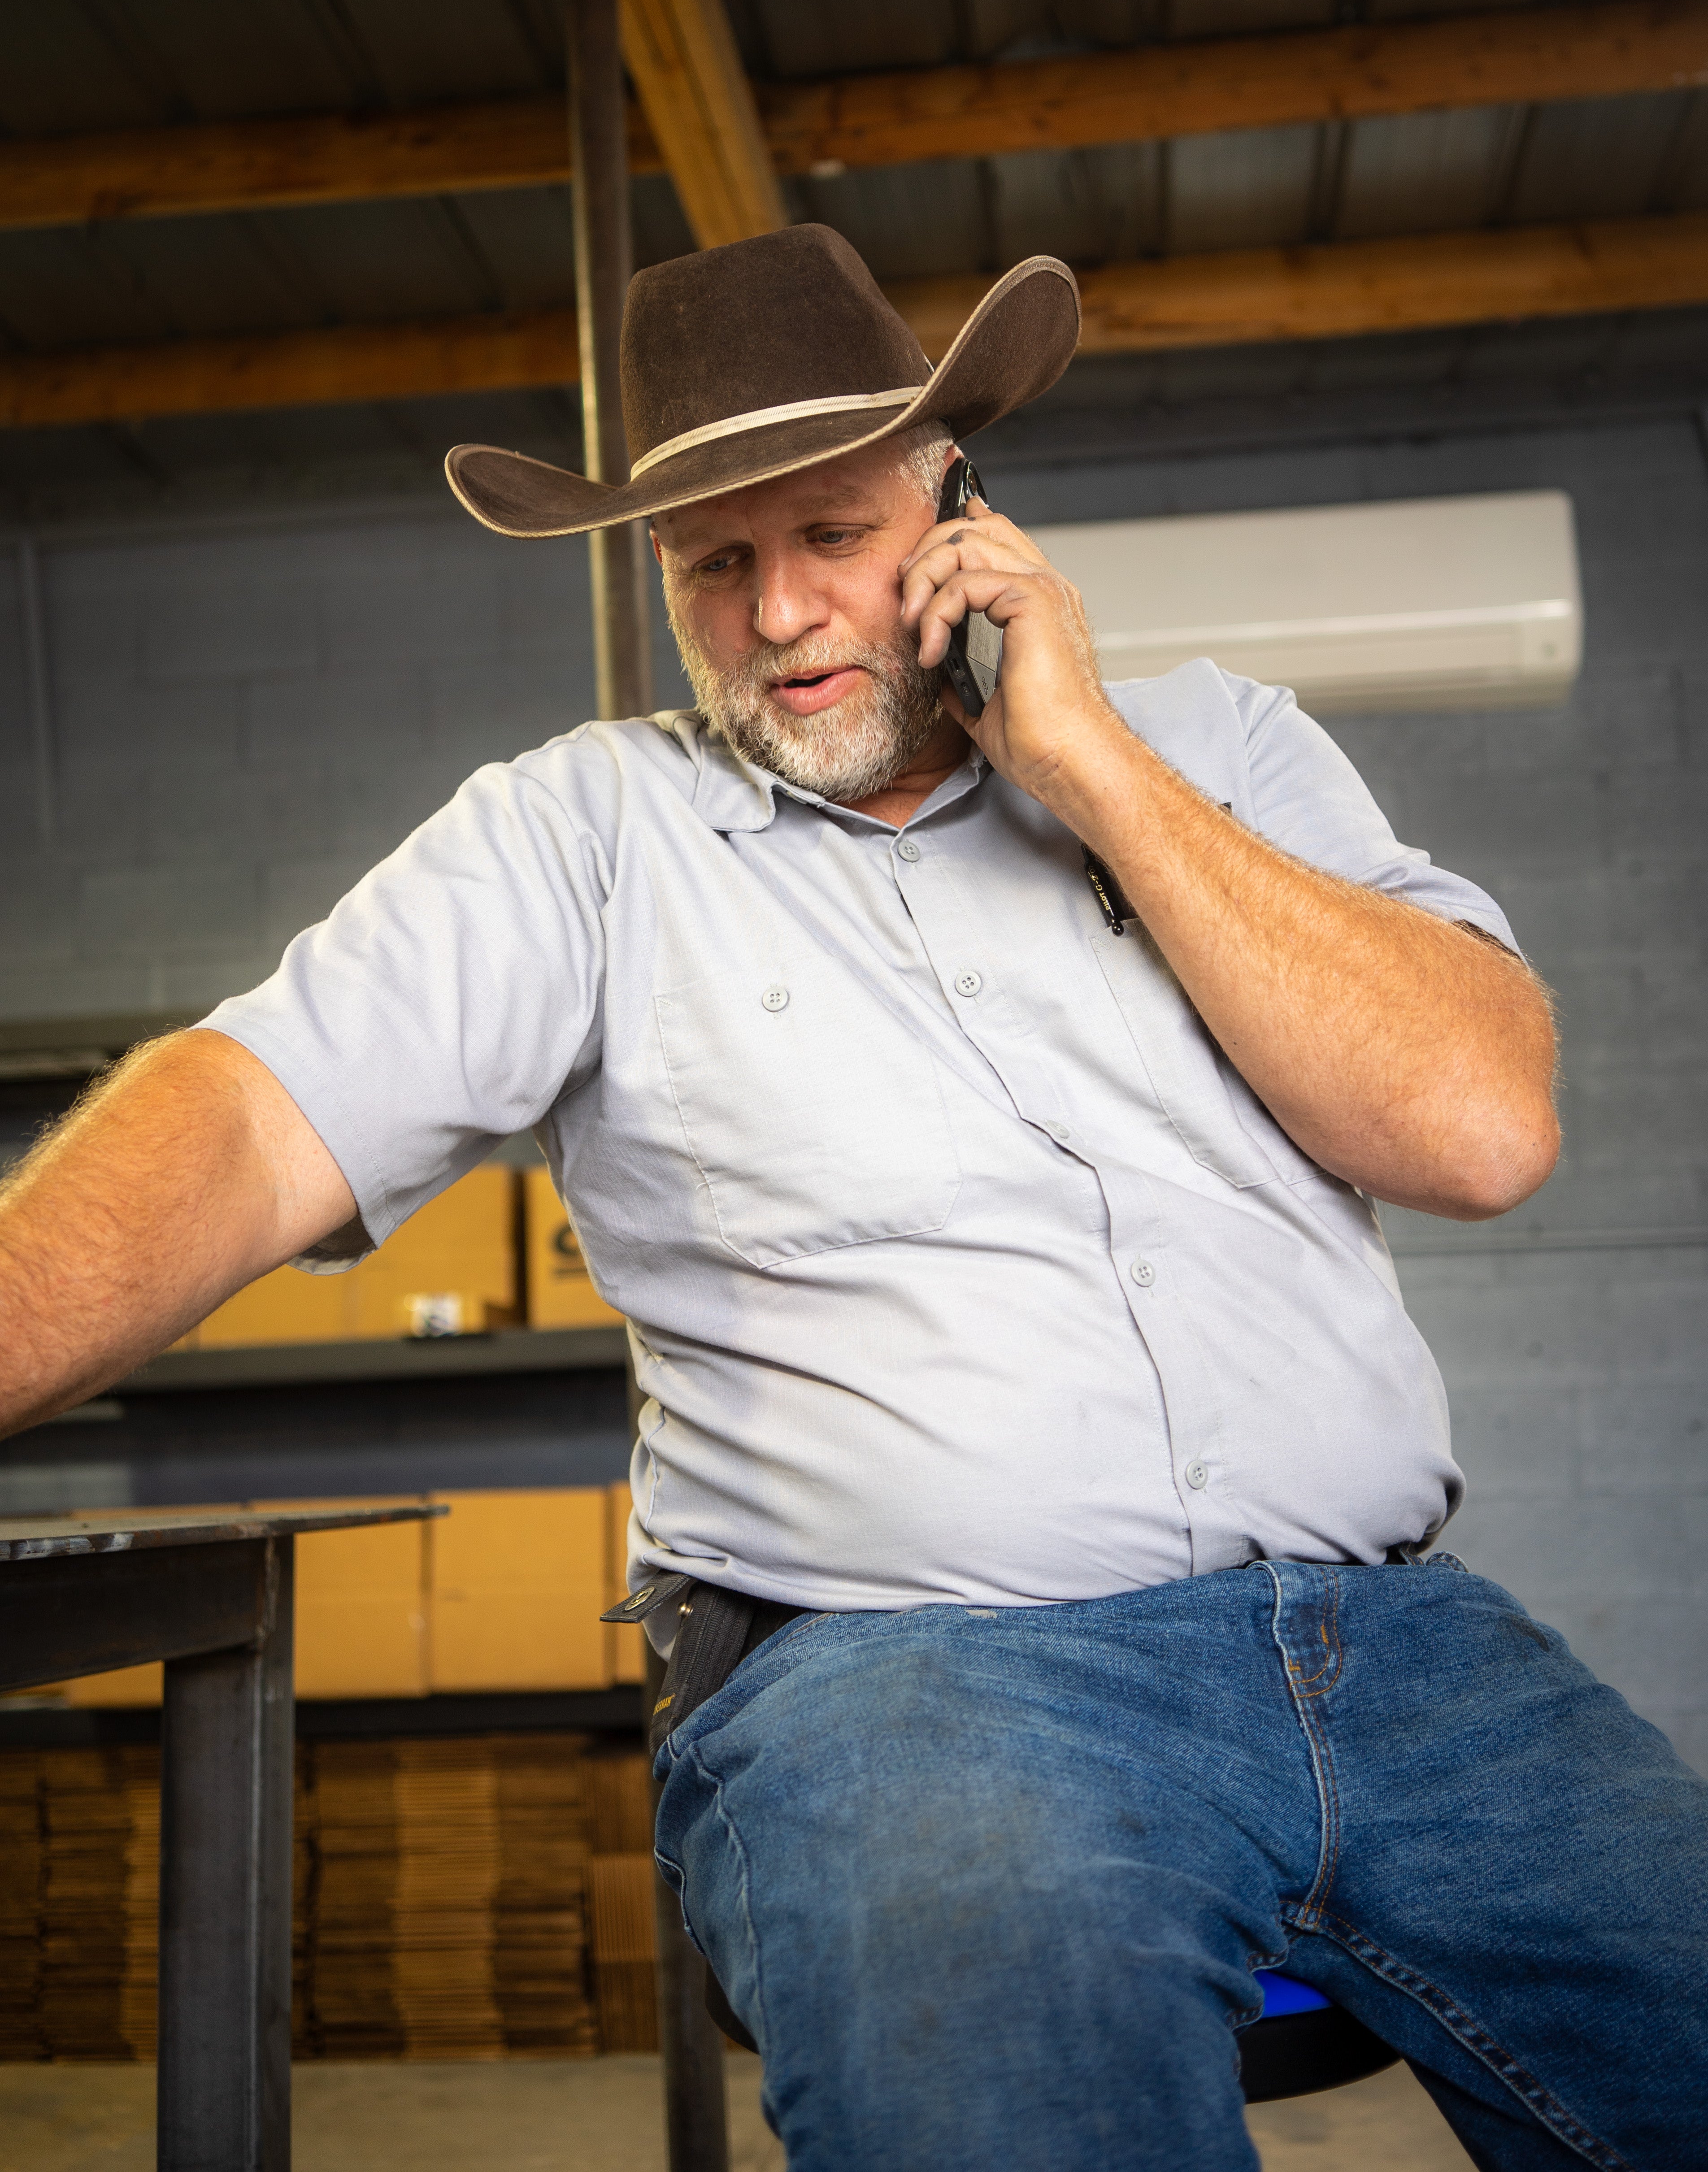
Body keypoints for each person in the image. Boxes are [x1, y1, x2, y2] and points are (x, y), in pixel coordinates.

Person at [0, 226, 1701, 2168]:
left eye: (831, 531)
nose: (781, 612)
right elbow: (237, 1117)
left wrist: (1089, 765)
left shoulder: (1222, 750)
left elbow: (1476, 1128)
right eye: (714, 562)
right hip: (918, 1684)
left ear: (958, 507)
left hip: (1404, 1651)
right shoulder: (582, 838)